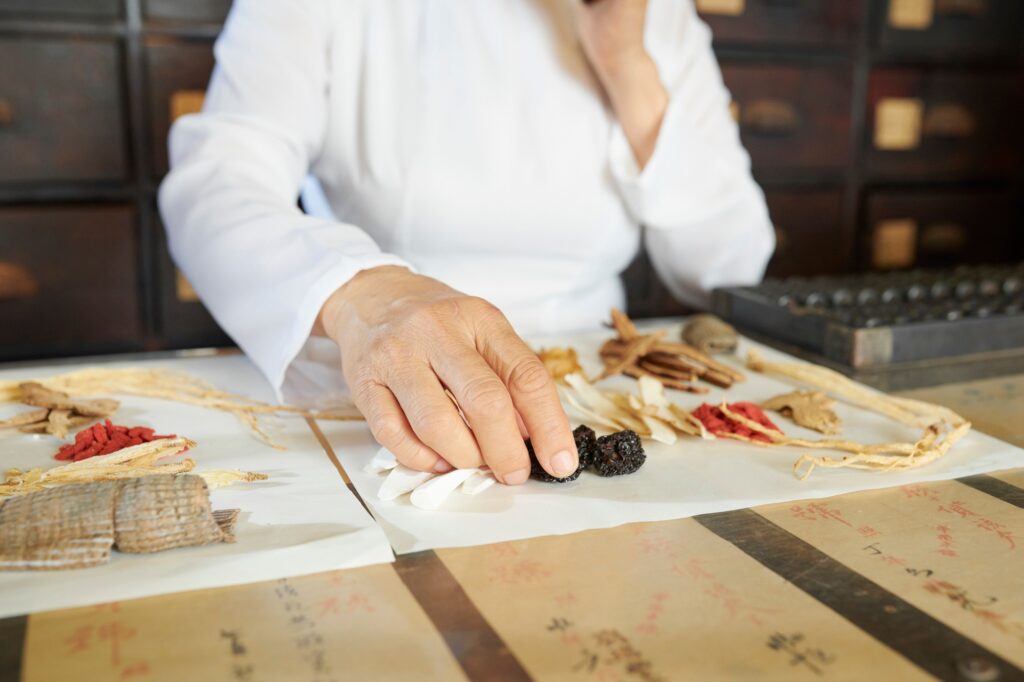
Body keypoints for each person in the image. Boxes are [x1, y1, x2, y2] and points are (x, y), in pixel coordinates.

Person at [159, 0, 775, 487]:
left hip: (604, 386)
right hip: (386, 391)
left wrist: (625, 62)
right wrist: (368, 295)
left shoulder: (656, 12)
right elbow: (215, 184)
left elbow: (731, 263)